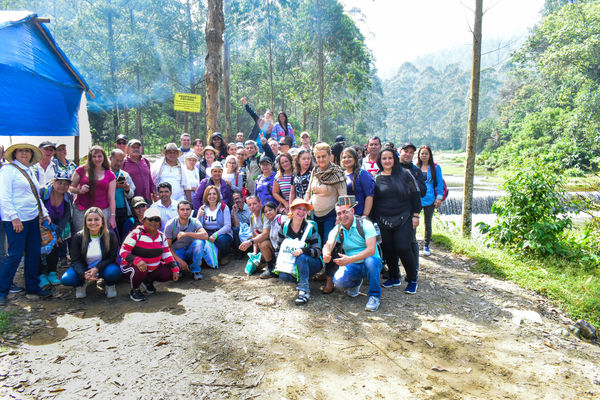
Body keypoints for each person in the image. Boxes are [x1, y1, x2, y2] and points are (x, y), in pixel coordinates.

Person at [0, 143, 52, 305]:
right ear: (15, 154)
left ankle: (32, 287)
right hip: (17, 220)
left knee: (33, 253)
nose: (24, 153)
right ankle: (2, 291)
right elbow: (4, 196)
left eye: (27, 151)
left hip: (32, 218)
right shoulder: (8, 171)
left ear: (31, 154)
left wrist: (45, 213)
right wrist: (13, 217)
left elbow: (36, 194)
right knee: (15, 255)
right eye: (21, 151)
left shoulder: (29, 170)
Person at [372, 147, 420, 294]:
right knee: (388, 249)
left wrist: (416, 215)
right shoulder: (376, 177)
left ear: (395, 159)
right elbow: (374, 200)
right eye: (384, 158)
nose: (387, 161)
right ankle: (394, 276)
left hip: (403, 218)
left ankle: (412, 279)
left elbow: (415, 195)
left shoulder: (405, 175)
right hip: (383, 220)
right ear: (380, 161)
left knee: (403, 247)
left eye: (390, 158)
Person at [323, 196, 382, 312]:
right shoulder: (338, 229)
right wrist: (326, 253)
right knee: (339, 281)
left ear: (353, 211)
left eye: (345, 212)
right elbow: (329, 244)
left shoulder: (365, 224)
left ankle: (374, 296)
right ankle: (355, 284)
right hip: (353, 264)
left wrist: (350, 259)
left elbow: (371, 250)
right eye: (339, 213)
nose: (342, 216)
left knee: (370, 262)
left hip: (370, 261)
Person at [306, 142, 347, 294]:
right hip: (314, 215)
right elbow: (309, 191)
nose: (321, 159)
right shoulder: (315, 171)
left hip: (331, 215)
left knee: (330, 246)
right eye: (318, 157)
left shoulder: (338, 173)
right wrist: (305, 207)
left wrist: (340, 216)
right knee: (319, 244)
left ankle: (330, 279)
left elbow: (343, 197)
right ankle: (324, 273)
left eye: (324, 156)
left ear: (330, 156)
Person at [119, 207, 180, 302]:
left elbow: (166, 253)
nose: (153, 222)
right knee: (141, 269)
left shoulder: (161, 236)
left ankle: (147, 281)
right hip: (132, 267)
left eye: (156, 219)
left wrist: (175, 269)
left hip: (150, 268)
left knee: (170, 273)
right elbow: (123, 251)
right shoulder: (136, 233)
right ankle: (135, 290)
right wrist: (137, 261)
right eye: (150, 219)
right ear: (143, 221)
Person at [61, 207, 120, 299]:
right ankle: (81, 283)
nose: (93, 223)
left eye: (96, 219)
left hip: (103, 267)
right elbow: (75, 260)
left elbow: (112, 257)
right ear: (85, 222)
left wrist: (97, 268)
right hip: (84, 268)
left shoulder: (110, 235)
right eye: (89, 220)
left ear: (102, 221)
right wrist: (83, 273)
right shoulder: (78, 237)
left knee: (113, 272)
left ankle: (109, 284)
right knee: (66, 279)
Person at [274, 198, 322, 305]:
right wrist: (279, 262)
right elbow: (278, 248)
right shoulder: (285, 227)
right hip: (291, 263)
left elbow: (317, 251)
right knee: (283, 276)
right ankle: (302, 278)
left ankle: (304, 290)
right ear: (292, 210)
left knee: (301, 258)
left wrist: (303, 250)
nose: (301, 212)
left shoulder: (310, 228)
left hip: (311, 262)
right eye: (298, 209)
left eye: (304, 210)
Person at [38, 171, 73, 289]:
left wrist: (57, 233)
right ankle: (41, 274)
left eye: (66, 184)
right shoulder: (43, 192)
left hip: (57, 225)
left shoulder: (68, 196)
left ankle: (52, 272)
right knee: (38, 248)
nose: (63, 186)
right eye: (60, 182)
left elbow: (66, 216)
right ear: (54, 182)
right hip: (40, 225)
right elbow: (37, 208)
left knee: (55, 244)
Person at [70, 146, 117, 232]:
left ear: (104, 157)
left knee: (100, 238)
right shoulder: (81, 170)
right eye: (94, 157)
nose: (97, 159)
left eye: (99, 156)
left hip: (102, 211)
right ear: (90, 158)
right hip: (82, 211)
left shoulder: (110, 175)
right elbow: (69, 187)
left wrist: (112, 216)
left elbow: (111, 198)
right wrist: (79, 191)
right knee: (81, 238)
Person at [398, 142, 427, 271]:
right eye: (406, 151)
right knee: (392, 242)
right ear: (400, 151)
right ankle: (393, 271)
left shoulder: (416, 171)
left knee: (411, 241)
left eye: (411, 152)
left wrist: (410, 179)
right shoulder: (392, 167)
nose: (408, 154)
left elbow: (423, 191)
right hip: (392, 210)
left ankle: (413, 269)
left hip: (410, 212)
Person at [165, 200, 208, 281]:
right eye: (182, 209)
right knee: (172, 269)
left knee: (199, 242)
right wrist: (180, 261)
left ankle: (196, 270)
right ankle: (179, 269)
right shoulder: (170, 224)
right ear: (178, 211)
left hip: (189, 250)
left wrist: (187, 233)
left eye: (188, 209)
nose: (185, 212)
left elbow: (205, 236)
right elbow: (167, 248)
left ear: (191, 211)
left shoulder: (194, 221)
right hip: (176, 252)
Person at [417, 145, 445, 257]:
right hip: (417, 199)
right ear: (419, 155)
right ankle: (412, 243)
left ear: (430, 155)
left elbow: (439, 183)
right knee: (412, 221)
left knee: (428, 223)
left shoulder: (435, 167)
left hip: (430, 199)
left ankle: (426, 245)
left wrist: (439, 197)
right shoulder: (415, 167)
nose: (424, 156)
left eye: (426, 154)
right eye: (422, 153)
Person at [197, 185, 233, 265]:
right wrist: (199, 216)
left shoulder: (223, 207)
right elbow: (197, 226)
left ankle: (224, 255)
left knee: (222, 240)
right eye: (209, 194)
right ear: (206, 196)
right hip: (206, 233)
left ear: (218, 195)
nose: (212, 196)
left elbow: (227, 226)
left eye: (214, 194)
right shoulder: (202, 208)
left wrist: (215, 235)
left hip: (221, 233)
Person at [110, 149, 136, 239]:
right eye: (117, 160)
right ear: (110, 158)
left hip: (123, 210)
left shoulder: (124, 175)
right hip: (108, 210)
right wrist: (114, 186)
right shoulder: (104, 174)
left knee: (122, 235)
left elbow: (131, 193)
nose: (119, 163)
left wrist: (127, 189)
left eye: (121, 161)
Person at [341, 147, 374, 217]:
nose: (346, 159)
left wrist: (364, 216)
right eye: (344, 157)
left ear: (355, 158)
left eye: (350, 157)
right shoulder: (341, 175)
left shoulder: (362, 174)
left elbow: (369, 196)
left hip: (359, 215)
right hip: (344, 217)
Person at [123, 139, 156, 203]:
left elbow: (150, 179)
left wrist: (154, 192)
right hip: (132, 200)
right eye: (133, 147)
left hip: (147, 200)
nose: (136, 149)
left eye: (137, 147)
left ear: (141, 149)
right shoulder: (123, 163)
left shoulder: (146, 161)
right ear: (128, 149)